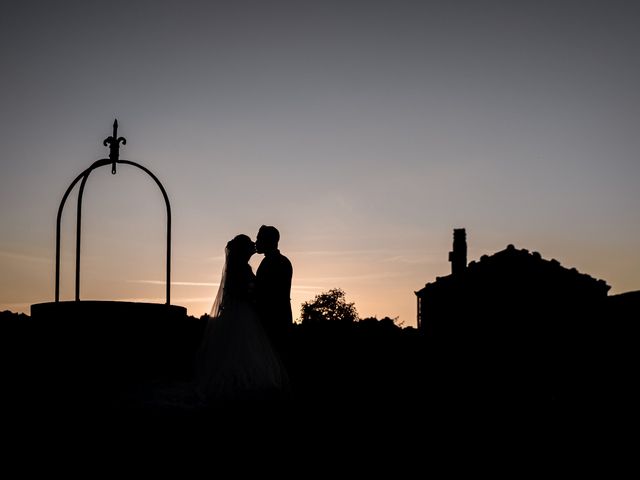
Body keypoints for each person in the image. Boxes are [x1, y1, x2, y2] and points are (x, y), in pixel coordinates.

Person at [195, 234, 288, 404]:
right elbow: (239, 291)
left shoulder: (242, 267)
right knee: (241, 348)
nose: (254, 245)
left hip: (243, 312)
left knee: (240, 348)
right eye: (250, 244)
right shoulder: (242, 269)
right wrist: (252, 296)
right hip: (242, 312)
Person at [254, 225, 293, 363]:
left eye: (259, 238)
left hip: (273, 320)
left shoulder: (274, 262)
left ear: (269, 240)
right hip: (278, 318)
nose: (256, 242)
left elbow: (266, 293)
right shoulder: (278, 260)